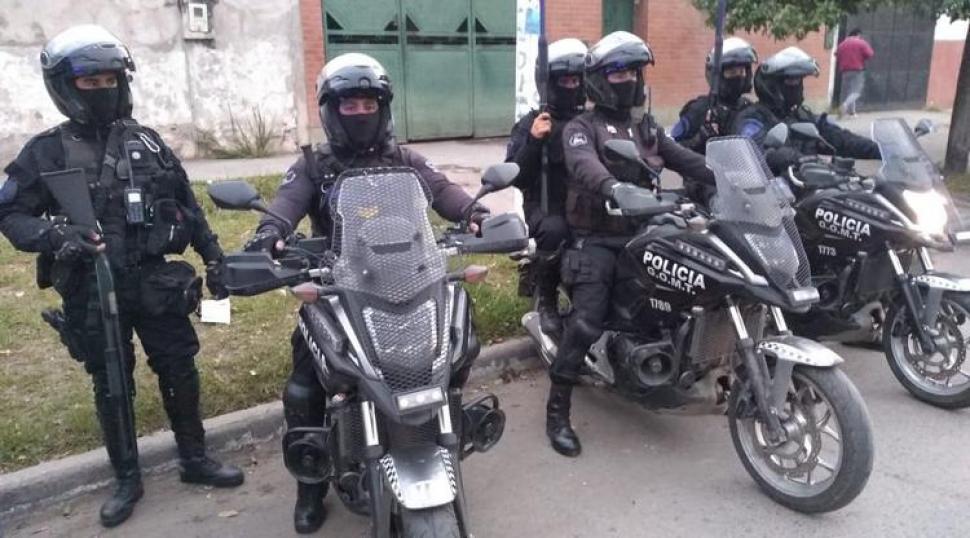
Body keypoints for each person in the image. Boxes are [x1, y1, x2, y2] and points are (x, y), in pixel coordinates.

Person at [0, 25, 243, 528]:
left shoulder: (148, 143)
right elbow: (11, 213)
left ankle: (195, 458)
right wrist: (55, 236)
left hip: (155, 282)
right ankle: (127, 477)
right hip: (93, 287)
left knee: (179, 369)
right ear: (65, 86)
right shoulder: (46, 151)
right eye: (90, 82)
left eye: (110, 80)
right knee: (112, 382)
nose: (103, 90)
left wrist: (214, 258)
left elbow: (188, 207)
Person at [244, 53, 488, 534]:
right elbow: (285, 205)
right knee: (305, 384)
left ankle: (440, 437)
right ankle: (311, 486)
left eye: (368, 104)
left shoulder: (405, 159)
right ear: (331, 110)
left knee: (456, 350)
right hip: (339, 288)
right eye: (349, 105)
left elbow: (444, 191)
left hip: (412, 282)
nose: (360, 113)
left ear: (383, 108)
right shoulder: (313, 165)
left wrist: (476, 214)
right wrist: (269, 234)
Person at [550, 31, 716, 457]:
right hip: (598, 239)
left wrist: (736, 177)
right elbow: (583, 164)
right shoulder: (581, 127)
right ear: (599, 79)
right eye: (618, 72)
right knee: (586, 321)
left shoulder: (646, 127)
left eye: (633, 72)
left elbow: (685, 159)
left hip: (645, 231)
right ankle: (558, 411)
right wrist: (614, 187)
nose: (628, 80)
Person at [506, 38, 588, 335]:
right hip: (546, 204)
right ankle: (547, 299)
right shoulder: (531, 122)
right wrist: (533, 141)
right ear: (549, 82)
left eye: (576, 80)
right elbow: (515, 175)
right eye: (565, 80)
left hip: (585, 204)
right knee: (555, 230)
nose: (572, 86)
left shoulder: (589, 121)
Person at [730, 46, 881, 174]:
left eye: (799, 81)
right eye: (791, 81)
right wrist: (796, 159)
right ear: (772, 85)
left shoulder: (803, 116)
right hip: (775, 194)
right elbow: (753, 152)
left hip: (812, 190)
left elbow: (841, 139)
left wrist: (879, 149)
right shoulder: (752, 118)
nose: (797, 87)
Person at [671, 37, 759, 154]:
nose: (738, 77)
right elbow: (671, 147)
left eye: (742, 72)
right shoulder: (699, 109)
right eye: (732, 72)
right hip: (705, 165)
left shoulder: (750, 109)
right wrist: (698, 139)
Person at [835, 28, 874, 118]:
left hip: (845, 70)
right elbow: (870, 54)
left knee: (849, 91)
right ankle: (844, 105)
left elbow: (837, 54)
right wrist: (861, 57)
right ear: (858, 34)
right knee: (856, 91)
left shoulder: (842, 44)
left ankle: (852, 112)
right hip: (857, 70)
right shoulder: (861, 43)